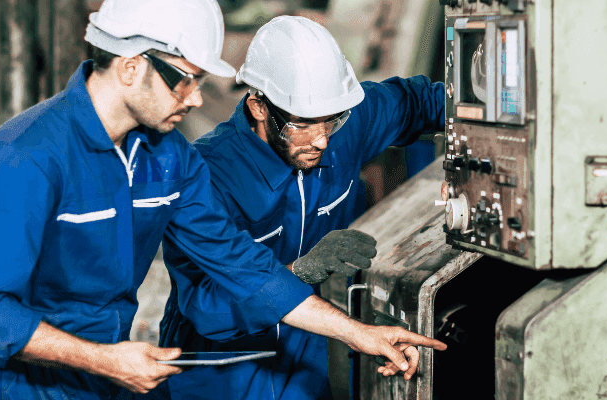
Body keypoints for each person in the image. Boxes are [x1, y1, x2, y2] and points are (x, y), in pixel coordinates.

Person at [0, 1, 445, 399]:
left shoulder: (169, 160)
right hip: (29, 388)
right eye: (185, 79)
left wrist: (359, 333)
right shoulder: (25, 157)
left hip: (112, 378)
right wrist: (102, 359)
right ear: (132, 66)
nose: (198, 98)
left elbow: (243, 267)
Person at [159, 16, 445, 400]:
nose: (322, 140)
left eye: (330, 122)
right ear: (259, 106)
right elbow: (206, 306)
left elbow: (423, 102)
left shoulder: (341, 123)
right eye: (304, 124)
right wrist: (300, 271)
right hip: (220, 370)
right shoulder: (208, 176)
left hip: (306, 359)